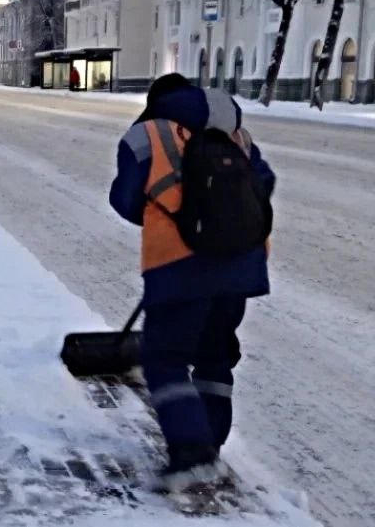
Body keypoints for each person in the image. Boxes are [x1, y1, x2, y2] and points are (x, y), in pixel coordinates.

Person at [108, 73, 275, 492]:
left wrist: (171, 214)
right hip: (242, 264)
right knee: (215, 358)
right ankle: (210, 447)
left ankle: (192, 455)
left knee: (164, 358)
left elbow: (125, 199)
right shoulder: (237, 134)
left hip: (179, 266)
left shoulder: (147, 134)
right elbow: (264, 183)